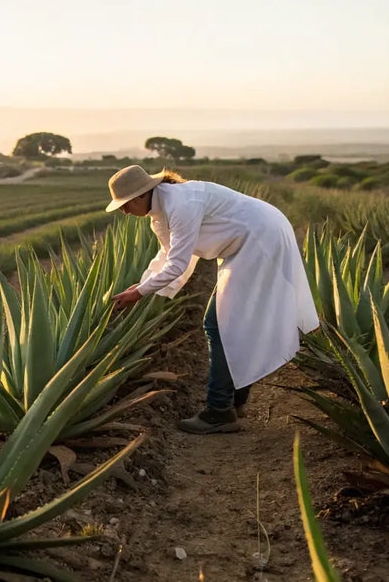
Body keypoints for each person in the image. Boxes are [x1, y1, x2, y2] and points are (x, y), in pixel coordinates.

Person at [106, 165, 319, 434]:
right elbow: (167, 254)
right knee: (231, 322)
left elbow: (177, 265)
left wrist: (139, 293)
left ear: (139, 196)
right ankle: (235, 400)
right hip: (248, 241)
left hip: (260, 238)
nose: (124, 212)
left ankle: (219, 411)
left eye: (125, 205)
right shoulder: (161, 211)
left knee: (217, 323)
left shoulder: (180, 204)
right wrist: (143, 283)